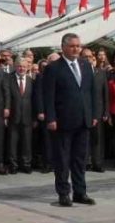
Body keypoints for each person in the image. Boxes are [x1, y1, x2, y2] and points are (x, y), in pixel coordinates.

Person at [41, 33, 97, 207]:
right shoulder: (53, 68)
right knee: (62, 159)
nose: (76, 49)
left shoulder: (86, 65)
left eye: (78, 46)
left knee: (80, 159)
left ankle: (80, 192)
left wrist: (94, 114)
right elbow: (48, 96)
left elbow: (92, 92)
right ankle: (64, 193)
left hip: (83, 119)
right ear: (63, 47)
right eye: (72, 46)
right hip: (62, 120)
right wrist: (51, 118)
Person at [7, 58, 36, 173]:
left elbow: (34, 100)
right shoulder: (8, 80)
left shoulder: (31, 81)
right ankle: (13, 165)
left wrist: (34, 118)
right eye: (19, 66)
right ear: (15, 67)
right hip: (13, 116)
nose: (21, 68)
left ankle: (26, 164)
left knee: (27, 143)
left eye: (24, 66)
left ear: (27, 67)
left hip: (28, 117)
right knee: (12, 143)